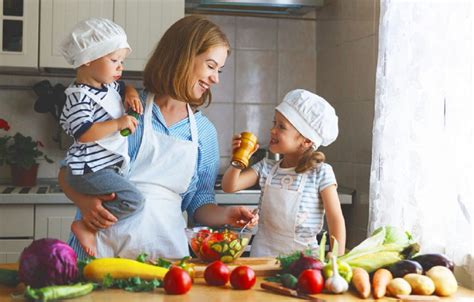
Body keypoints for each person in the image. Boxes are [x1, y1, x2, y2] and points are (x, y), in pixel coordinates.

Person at [59, 15, 258, 260]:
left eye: (219, 69)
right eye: (210, 65)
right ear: (183, 57)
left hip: (165, 259)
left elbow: (200, 203)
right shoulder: (125, 109)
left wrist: (226, 215)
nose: (216, 78)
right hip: (98, 252)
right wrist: (84, 202)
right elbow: (70, 169)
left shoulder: (204, 132)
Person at [222, 89, 346, 257]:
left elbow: (335, 219)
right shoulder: (266, 167)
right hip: (262, 256)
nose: (273, 130)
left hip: (304, 263)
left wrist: (337, 257)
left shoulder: (320, 173)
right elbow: (230, 186)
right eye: (274, 123)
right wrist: (238, 159)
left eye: (281, 126)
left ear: (306, 140)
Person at [59, 17, 145, 257]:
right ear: (87, 59)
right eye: (114, 60)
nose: (120, 67)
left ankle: (90, 224)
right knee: (133, 199)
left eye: (122, 61)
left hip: (101, 169)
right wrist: (118, 123)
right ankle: (85, 226)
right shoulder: (79, 97)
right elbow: (84, 133)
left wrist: (130, 91)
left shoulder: (106, 86)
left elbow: (123, 85)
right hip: (87, 170)